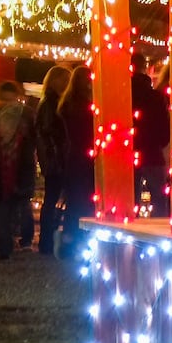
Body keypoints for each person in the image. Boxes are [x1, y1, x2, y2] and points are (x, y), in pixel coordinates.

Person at [0, 80, 37, 259]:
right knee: (3, 216)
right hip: (0, 185)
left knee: (20, 211)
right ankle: (5, 248)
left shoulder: (23, 143)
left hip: (17, 184)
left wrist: (26, 185)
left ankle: (23, 240)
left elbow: (27, 166)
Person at [57, 65, 96, 257]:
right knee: (85, 201)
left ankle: (69, 241)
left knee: (74, 201)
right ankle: (81, 241)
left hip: (72, 156)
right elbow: (87, 131)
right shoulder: (85, 107)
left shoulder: (66, 104)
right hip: (84, 156)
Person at [35, 65, 73, 255]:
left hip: (52, 158)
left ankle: (47, 240)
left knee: (51, 199)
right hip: (55, 159)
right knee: (52, 199)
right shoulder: (52, 103)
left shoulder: (48, 102)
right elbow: (52, 132)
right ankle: (47, 241)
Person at [131, 55, 170, 218]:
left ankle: (130, 234)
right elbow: (165, 128)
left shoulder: (122, 94)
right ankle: (159, 234)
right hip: (153, 152)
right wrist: (160, 143)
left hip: (129, 153)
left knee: (130, 199)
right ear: (146, 68)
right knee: (159, 200)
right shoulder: (155, 97)